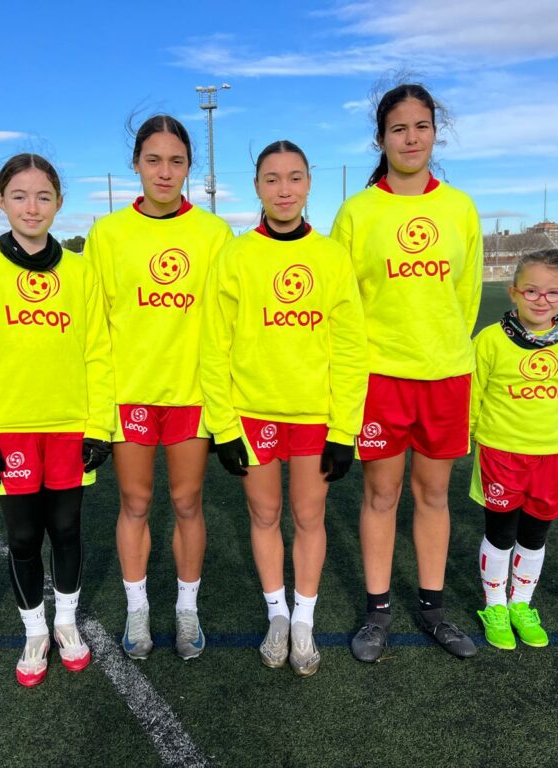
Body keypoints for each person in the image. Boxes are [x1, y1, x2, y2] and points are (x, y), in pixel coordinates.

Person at [201, 141, 367, 676]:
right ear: (256, 187)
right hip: (253, 415)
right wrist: (224, 428)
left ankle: (304, 621)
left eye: (294, 177)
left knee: (308, 516)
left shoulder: (330, 256)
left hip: (314, 417)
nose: (284, 189)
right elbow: (214, 345)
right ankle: (277, 614)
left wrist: (345, 430)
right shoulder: (237, 254)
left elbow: (350, 349)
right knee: (265, 515)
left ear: (309, 183)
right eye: (272, 179)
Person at [331, 83, 483, 661]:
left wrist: (440, 345)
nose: (411, 138)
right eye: (399, 129)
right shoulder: (358, 211)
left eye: (421, 126)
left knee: (433, 494)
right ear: (381, 138)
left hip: (445, 374)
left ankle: (433, 610)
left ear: (434, 133)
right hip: (380, 377)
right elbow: (343, 302)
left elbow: (465, 298)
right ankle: (376, 614)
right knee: (381, 494)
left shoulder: (459, 208)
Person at [0, 153, 114, 685]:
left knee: (66, 530)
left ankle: (66, 623)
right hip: (9, 430)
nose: (31, 206)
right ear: (0, 202)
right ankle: (34, 632)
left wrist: (98, 425)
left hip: (69, 426)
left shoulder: (81, 270)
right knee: (23, 538)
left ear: (59, 203)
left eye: (43, 196)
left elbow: (98, 352)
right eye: (19, 196)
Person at [85, 115, 232, 660]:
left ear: (189, 167)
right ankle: (138, 611)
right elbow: (94, 322)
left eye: (175, 161)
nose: (164, 172)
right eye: (154, 160)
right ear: (136, 165)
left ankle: (187, 609)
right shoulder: (108, 233)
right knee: (136, 502)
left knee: (188, 501)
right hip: (131, 394)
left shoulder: (213, 235)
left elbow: (224, 324)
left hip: (191, 395)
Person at [469, 249, 558, 650]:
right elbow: (474, 394)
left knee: (535, 535)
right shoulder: (489, 340)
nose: (542, 300)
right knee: (501, 533)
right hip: (501, 452)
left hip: (551, 455)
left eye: (553, 293)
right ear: (513, 293)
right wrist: (466, 435)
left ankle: (521, 604)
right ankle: (495, 605)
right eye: (532, 291)